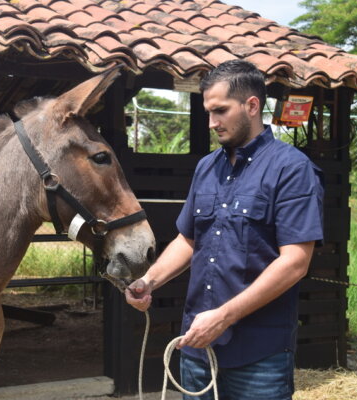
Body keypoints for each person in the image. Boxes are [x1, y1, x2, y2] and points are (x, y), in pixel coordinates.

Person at [125, 60, 324, 400]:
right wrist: (149, 281)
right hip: (197, 348)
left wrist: (224, 317)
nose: (212, 122)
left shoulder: (291, 168)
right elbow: (188, 239)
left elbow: (295, 262)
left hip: (259, 355)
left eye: (220, 111)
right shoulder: (206, 167)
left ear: (252, 105)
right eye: (207, 112)